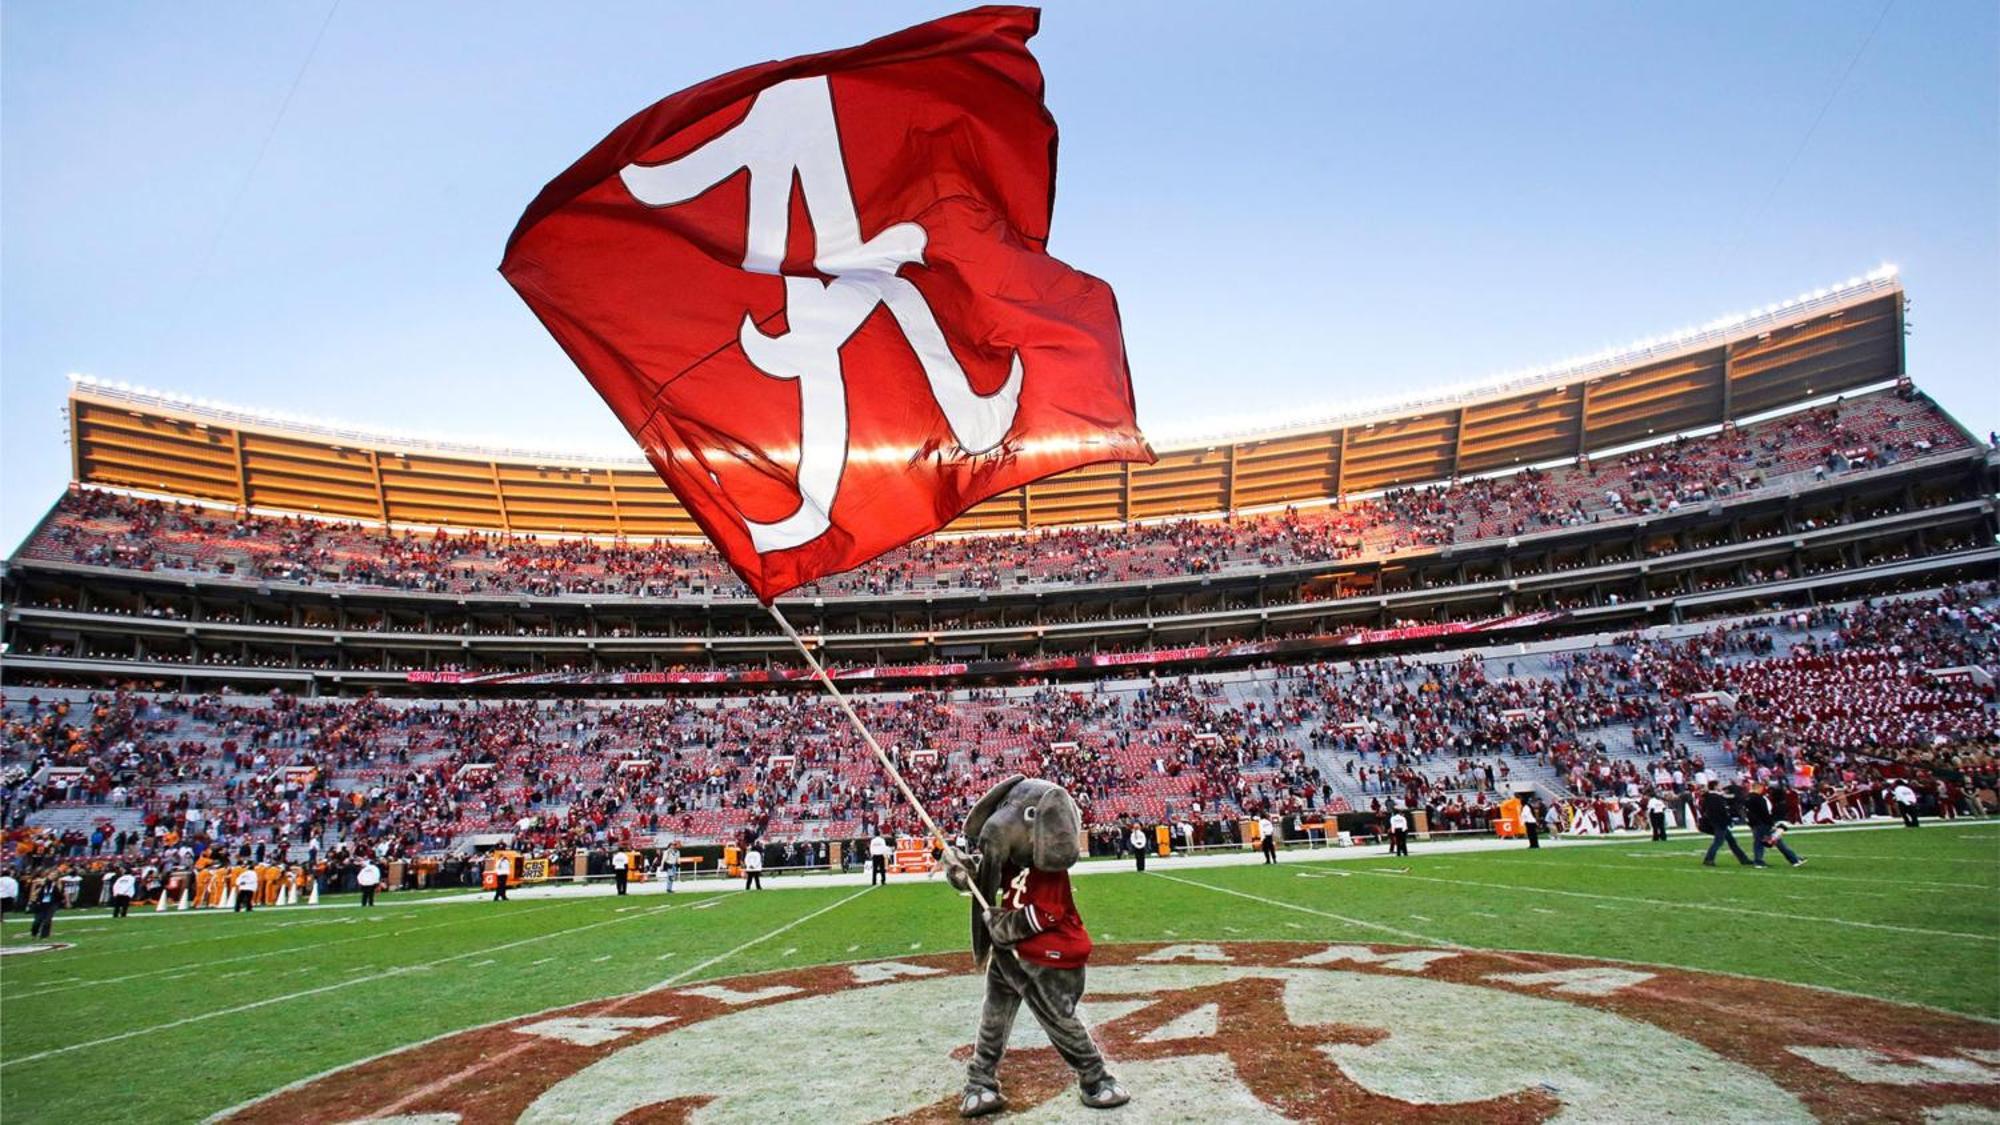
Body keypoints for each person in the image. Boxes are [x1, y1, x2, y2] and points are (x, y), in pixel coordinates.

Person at [1744, 785, 1806, 868]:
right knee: (1768, 842)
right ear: (1758, 788)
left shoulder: (1746, 798)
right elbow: (1764, 813)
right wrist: (1771, 824)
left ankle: (1794, 859)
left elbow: (1746, 812)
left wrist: (1750, 823)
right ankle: (1759, 862)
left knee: (1772, 841)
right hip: (1763, 824)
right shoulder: (1760, 798)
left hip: (1754, 823)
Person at [1700, 781, 1753, 867]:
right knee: (1718, 842)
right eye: (1719, 785)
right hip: (1720, 822)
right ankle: (1709, 859)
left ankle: (1744, 859)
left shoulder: (1710, 797)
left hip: (1717, 822)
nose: (1721, 786)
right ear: (1715, 786)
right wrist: (1728, 820)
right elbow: (1721, 811)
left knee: (1732, 842)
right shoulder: (1715, 797)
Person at [28, 875, 60, 940]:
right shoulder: (41, 888)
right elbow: (33, 895)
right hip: (41, 906)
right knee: (37, 921)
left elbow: (59, 896)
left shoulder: (54, 888)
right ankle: (34, 934)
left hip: (50, 906)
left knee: (47, 921)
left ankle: (44, 936)